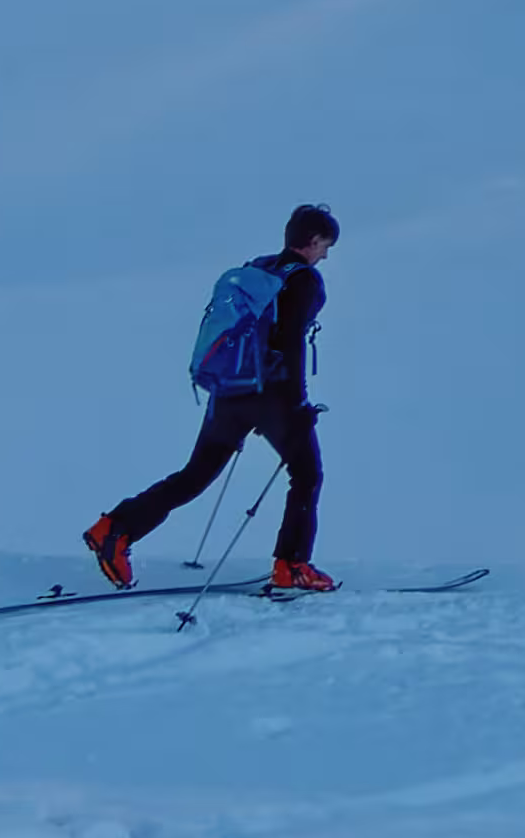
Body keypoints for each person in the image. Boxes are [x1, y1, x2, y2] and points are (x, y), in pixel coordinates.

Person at [88, 204, 338, 596]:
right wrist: (297, 404)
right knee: (306, 474)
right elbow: (290, 344)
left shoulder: (260, 270)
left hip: (229, 391)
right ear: (311, 241)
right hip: (270, 395)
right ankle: (291, 565)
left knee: (194, 476)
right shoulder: (302, 280)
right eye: (325, 245)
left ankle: (114, 528)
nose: (325, 255)